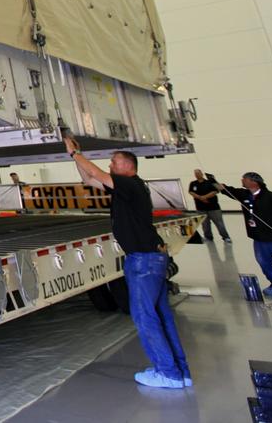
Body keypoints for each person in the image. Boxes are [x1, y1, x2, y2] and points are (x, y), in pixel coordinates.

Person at [64, 130, 191, 389]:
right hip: (151, 258)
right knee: (160, 315)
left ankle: (168, 373)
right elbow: (91, 179)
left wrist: (75, 152)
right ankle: (179, 371)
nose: (110, 165)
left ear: (128, 167)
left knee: (145, 317)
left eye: (114, 162)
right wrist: (77, 158)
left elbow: (98, 174)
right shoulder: (129, 189)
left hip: (143, 261)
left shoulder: (130, 184)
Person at [217, 172, 272, 300]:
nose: (242, 180)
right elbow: (226, 189)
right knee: (264, 263)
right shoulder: (244, 195)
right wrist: (214, 182)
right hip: (259, 239)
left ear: (254, 182)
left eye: (245, 179)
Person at [187, 169, 230, 243]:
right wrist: (200, 197)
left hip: (213, 208)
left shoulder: (209, 182)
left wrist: (205, 197)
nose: (197, 175)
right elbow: (191, 192)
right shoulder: (193, 183)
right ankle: (208, 237)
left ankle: (226, 237)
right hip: (200, 208)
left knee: (219, 223)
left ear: (202, 174)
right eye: (195, 174)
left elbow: (215, 191)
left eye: (198, 173)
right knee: (205, 225)